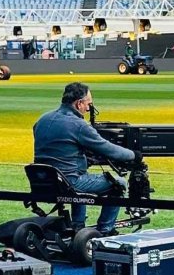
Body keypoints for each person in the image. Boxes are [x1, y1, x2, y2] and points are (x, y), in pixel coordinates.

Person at [32, 82, 139, 235]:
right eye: (89, 104)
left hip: (44, 182)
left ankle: (78, 226)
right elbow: (110, 150)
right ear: (79, 103)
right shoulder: (78, 125)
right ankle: (105, 230)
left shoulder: (42, 120)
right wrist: (134, 155)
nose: (89, 108)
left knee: (79, 179)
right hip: (69, 183)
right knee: (119, 183)